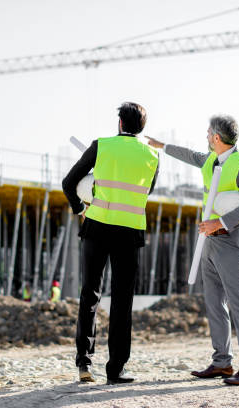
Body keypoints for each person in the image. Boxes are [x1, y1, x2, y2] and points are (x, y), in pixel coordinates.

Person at [146, 114, 239, 386]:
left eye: (208, 133)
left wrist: (220, 222)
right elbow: (190, 155)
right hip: (211, 240)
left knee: (238, 301)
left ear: (217, 138)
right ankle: (222, 362)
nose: (206, 137)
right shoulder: (210, 160)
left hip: (233, 240)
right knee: (214, 302)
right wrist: (161, 146)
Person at [62, 102, 159, 384]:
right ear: (142, 127)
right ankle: (116, 369)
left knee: (90, 295)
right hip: (129, 232)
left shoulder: (101, 146)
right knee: (122, 301)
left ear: (119, 123)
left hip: (97, 227)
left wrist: (81, 208)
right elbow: (147, 190)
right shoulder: (152, 155)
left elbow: (69, 182)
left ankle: (84, 364)